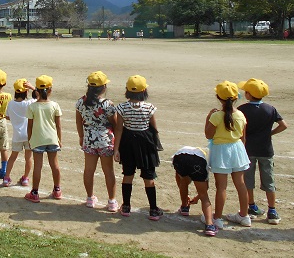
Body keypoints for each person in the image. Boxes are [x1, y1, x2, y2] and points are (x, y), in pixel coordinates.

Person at [237, 78, 288, 224]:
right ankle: (272, 210)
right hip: (266, 149)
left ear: (248, 94)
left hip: (248, 150)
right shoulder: (270, 109)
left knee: (248, 180)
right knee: (269, 180)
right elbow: (283, 125)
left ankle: (251, 206)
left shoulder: (242, 109)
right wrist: (270, 133)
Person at [113, 75, 163, 220]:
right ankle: (153, 209)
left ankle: (126, 206)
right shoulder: (149, 107)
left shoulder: (122, 107)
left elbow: (119, 129)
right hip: (145, 143)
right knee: (148, 176)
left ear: (127, 90)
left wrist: (116, 149)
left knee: (128, 174)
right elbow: (154, 128)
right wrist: (155, 145)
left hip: (128, 142)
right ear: (144, 90)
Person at [204, 81, 251, 228]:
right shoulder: (240, 115)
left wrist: (208, 117)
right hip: (237, 148)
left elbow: (208, 134)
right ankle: (244, 215)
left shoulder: (216, 116)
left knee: (221, 186)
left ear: (219, 97)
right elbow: (243, 137)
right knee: (241, 184)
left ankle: (217, 218)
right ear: (236, 97)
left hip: (221, 151)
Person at [75, 71, 118, 212]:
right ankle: (112, 201)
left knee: (89, 170)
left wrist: (81, 136)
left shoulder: (81, 102)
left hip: (89, 139)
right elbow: (114, 123)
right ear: (103, 87)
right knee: (108, 171)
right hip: (105, 140)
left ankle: (89, 198)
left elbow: (78, 121)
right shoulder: (107, 104)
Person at [24, 75, 63, 203]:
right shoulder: (55, 105)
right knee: (55, 165)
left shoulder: (32, 107)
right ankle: (57, 190)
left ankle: (35, 192)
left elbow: (29, 126)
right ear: (50, 90)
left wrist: (30, 140)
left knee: (38, 166)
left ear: (37, 91)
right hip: (52, 139)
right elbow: (58, 125)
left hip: (37, 139)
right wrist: (59, 139)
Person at [172, 146, 217, 236]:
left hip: (179, 158)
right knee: (204, 196)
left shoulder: (180, 153)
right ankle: (209, 225)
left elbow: (179, 180)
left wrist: (186, 197)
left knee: (184, 182)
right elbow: (206, 187)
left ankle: (184, 207)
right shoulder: (202, 157)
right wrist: (197, 197)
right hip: (197, 162)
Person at [2, 78, 37, 187]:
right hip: (29, 135)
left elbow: (7, 116)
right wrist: (32, 87)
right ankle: (25, 178)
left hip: (17, 135)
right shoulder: (29, 103)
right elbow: (39, 97)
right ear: (26, 92)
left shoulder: (11, 104)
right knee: (28, 157)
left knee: (13, 157)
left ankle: (6, 178)